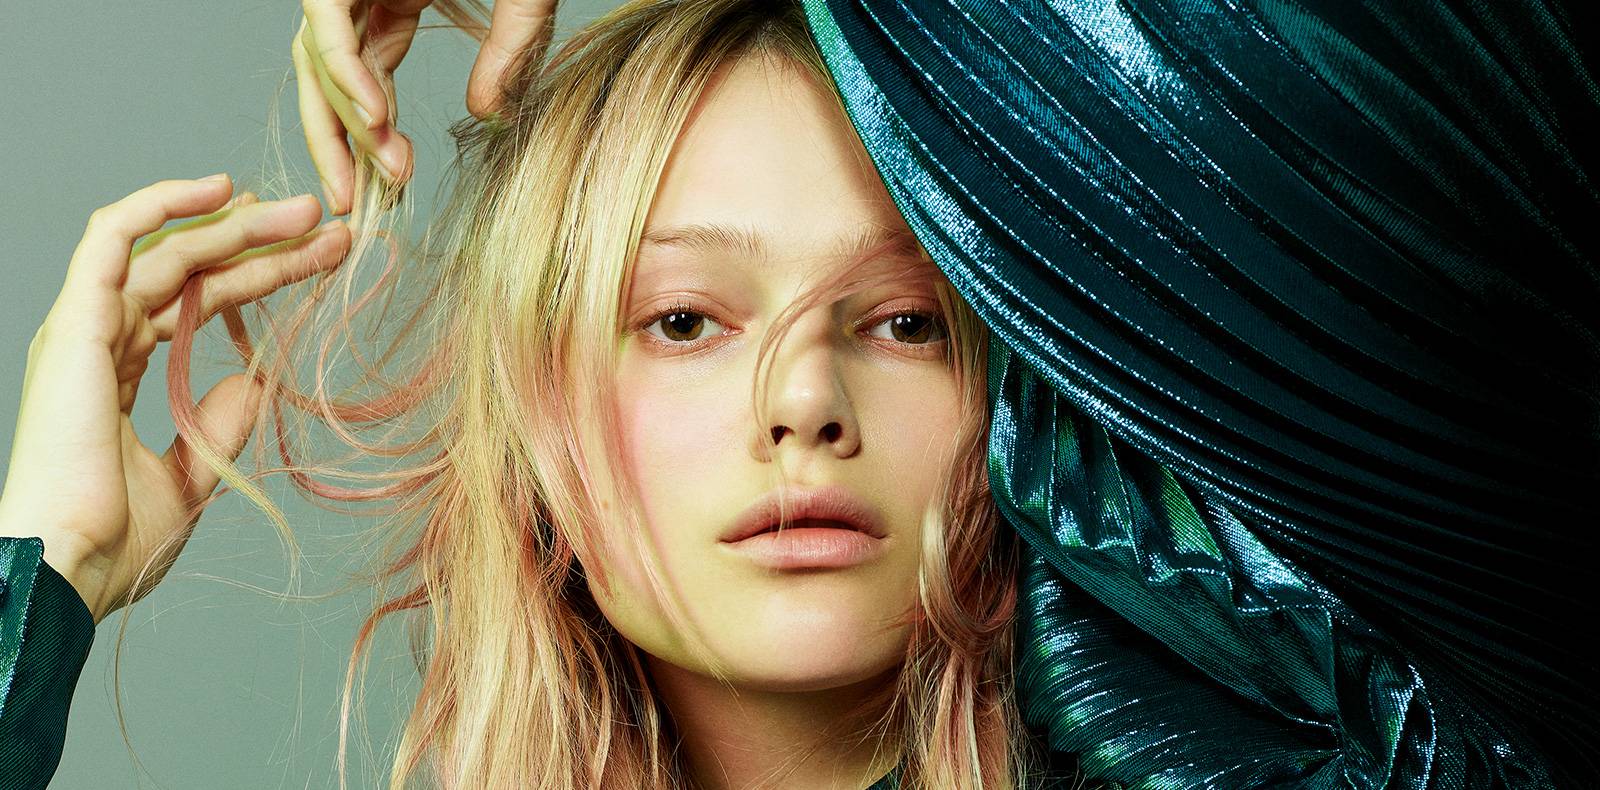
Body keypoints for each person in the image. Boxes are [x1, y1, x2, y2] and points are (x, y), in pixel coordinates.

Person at [4, 0, 1596, 788]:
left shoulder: (1348, 735)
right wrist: (43, 575)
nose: (804, 401)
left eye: (903, 321)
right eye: (685, 317)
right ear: (538, 425)